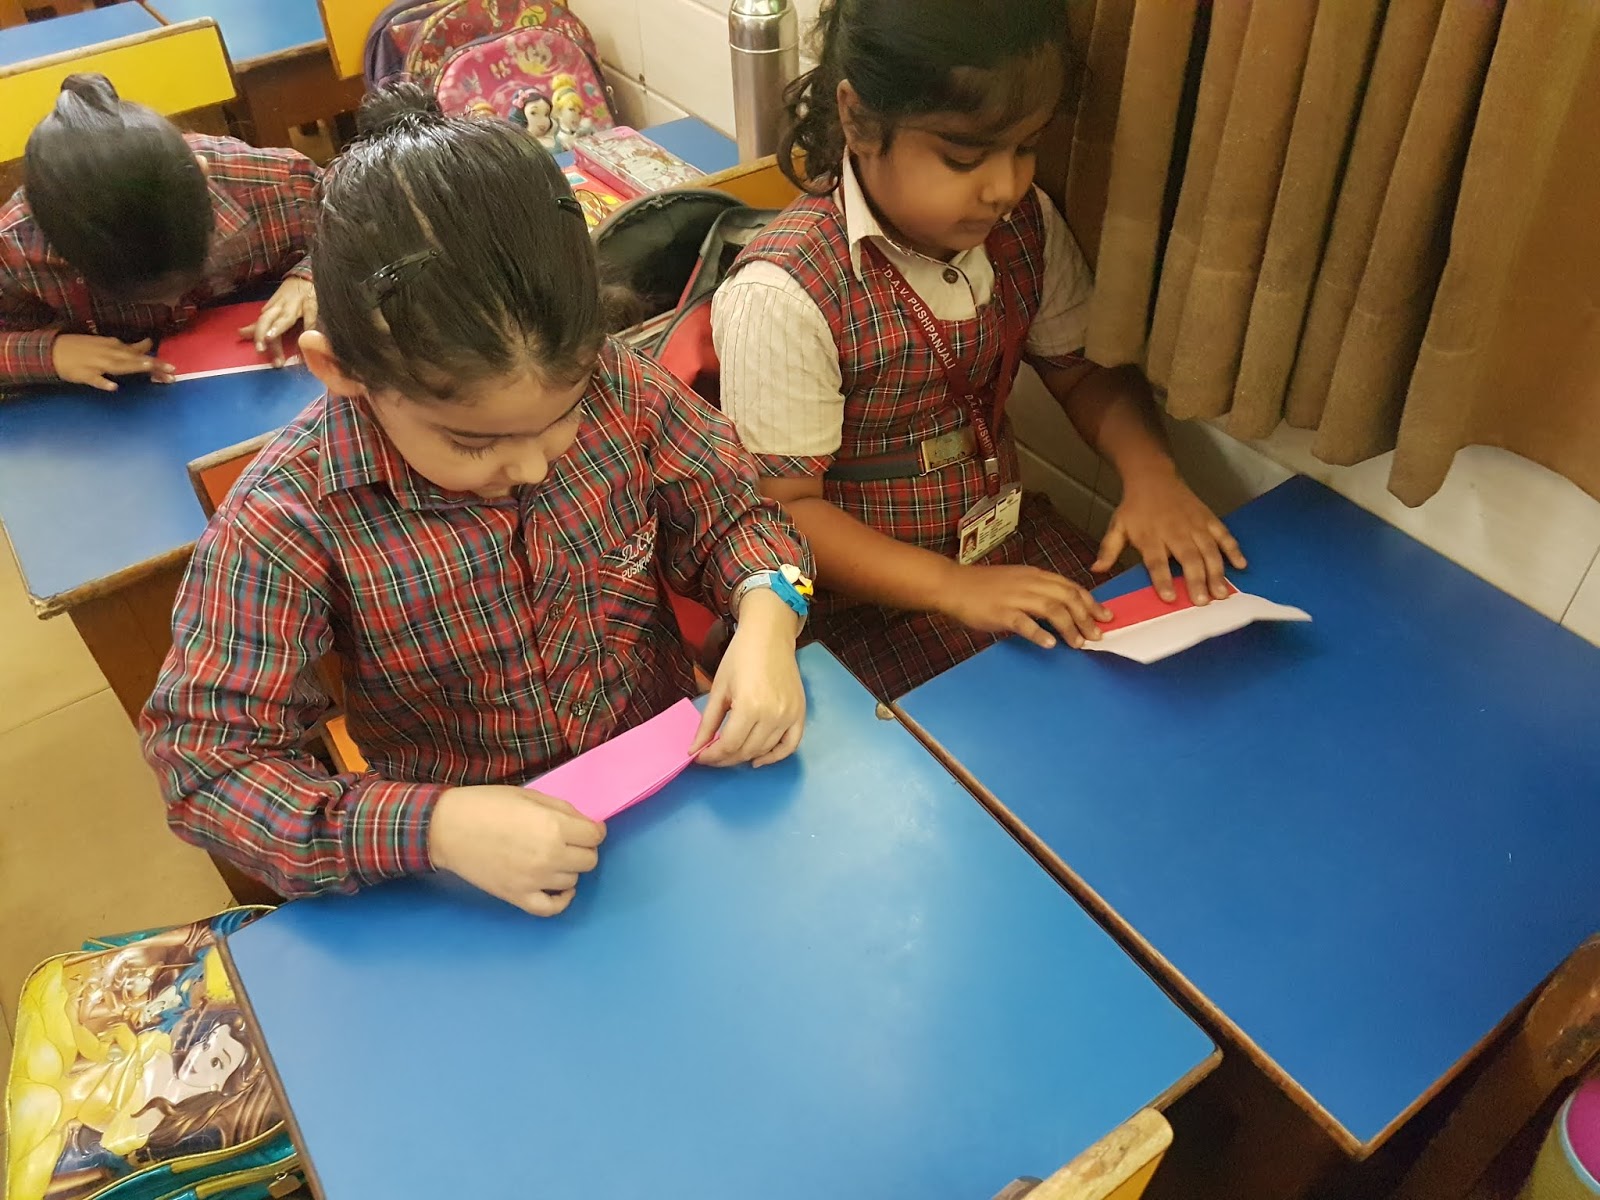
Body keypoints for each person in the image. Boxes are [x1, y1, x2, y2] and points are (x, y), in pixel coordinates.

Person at [141, 86, 813, 915]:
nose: (530, 465)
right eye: (472, 442)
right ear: (340, 370)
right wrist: (435, 828)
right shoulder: (290, 518)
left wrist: (769, 613)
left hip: (666, 803)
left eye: (562, 417)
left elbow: (738, 518)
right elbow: (207, 765)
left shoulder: (622, 389)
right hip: (469, 878)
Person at [712, 0, 1247, 700]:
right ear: (859, 120)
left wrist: (1151, 475)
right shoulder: (783, 293)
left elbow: (1082, 372)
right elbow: (783, 511)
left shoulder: (1024, 222)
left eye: (1025, 147)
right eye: (963, 157)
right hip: (862, 606)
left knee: (1164, 683)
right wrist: (950, 586)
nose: (1004, 187)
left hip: (1005, 548)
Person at [0, 74, 320, 393]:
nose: (172, 302)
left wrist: (313, 275)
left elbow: (349, 204)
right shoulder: (15, 245)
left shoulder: (269, 183)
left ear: (202, 176)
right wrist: (52, 354)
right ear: (56, 245)